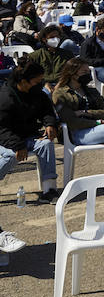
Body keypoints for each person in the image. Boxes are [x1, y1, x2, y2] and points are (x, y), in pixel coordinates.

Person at [0, 59, 60, 203]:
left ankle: (49, 189)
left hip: (27, 136)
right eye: (37, 80)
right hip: (6, 138)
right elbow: (1, 128)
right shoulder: (5, 97)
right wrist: (18, 145)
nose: (40, 83)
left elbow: (46, 110)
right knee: (10, 155)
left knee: (46, 145)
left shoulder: (35, 91)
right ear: (23, 81)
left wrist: (49, 124)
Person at [51, 59, 104, 149]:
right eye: (84, 72)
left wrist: (84, 112)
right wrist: (100, 122)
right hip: (78, 134)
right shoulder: (60, 94)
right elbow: (71, 121)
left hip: (98, 129)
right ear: (72, 73)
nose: (88, 75)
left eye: (89, 72)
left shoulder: (91, 91)